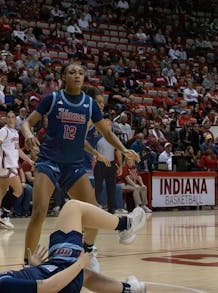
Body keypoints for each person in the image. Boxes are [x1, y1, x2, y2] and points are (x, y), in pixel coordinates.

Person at [20, 62, 140, 270]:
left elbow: (107, 133)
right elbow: (26, 123)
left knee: (94, 210)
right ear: (63, 77)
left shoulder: (89, 104)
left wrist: (124, 149)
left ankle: (88, 250)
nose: (76, 76)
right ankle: (28, 264)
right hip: (49, 161)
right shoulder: (53, 98)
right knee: (39, 211)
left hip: (73, 166)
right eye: (72, 72)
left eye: (80, 73)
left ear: (85, 78)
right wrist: (29, 134)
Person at [0, 200, 147, 293]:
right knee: (72, 207)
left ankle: (129, 290)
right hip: (61, 272)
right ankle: (125, 225)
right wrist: (79, 263)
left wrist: (34, 269)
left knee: (87, 277)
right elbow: (50, 287)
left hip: (54, 273)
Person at [0, 111, 31, 229]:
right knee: (18, 190)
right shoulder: (3, 131)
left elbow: (18, 151)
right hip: (6, 165)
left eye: (13, 117)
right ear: (6, 119)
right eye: (9, 117)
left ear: (15, 120)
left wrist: (29, 160)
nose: (11, 119)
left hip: (11, 165)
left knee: (2, 191)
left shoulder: (15, 132)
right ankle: (4, 216)